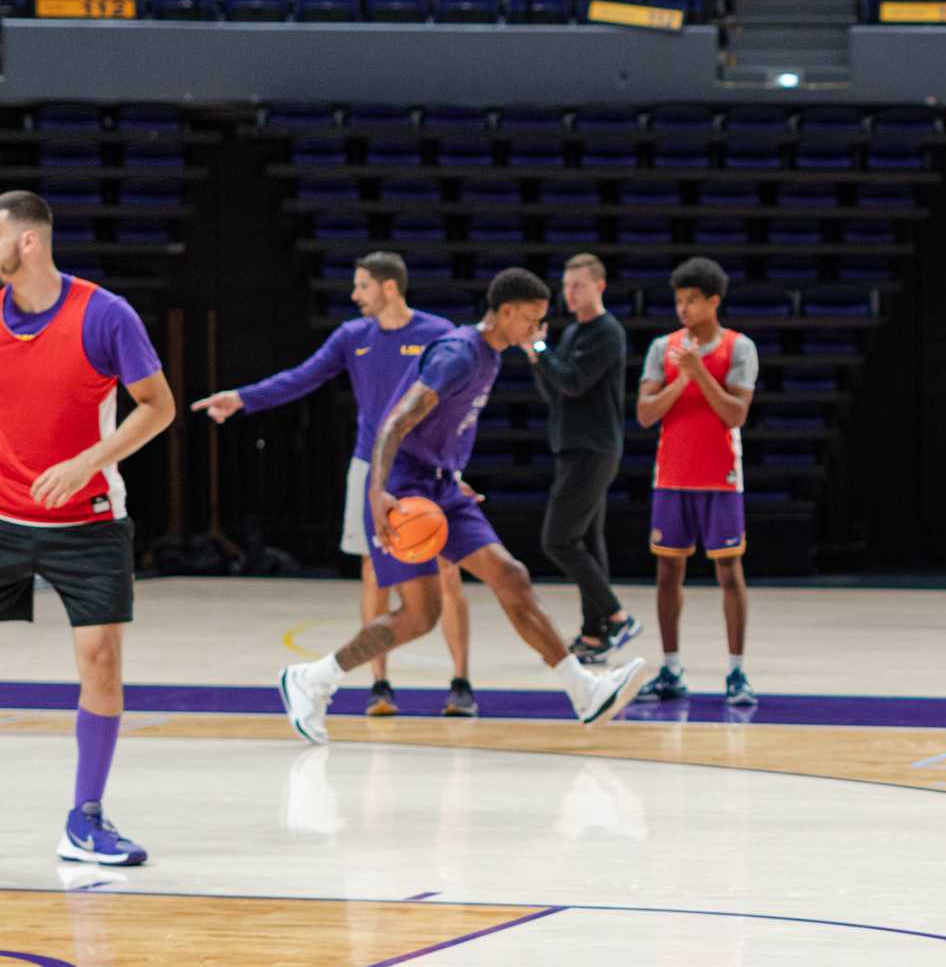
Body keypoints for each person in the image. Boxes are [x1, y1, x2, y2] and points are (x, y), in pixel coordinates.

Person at [276, 269, 646, 741]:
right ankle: (313, 679)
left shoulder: (490, 356)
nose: (535, 330)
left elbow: (450, 427)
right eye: (531, 319)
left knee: (510, 575)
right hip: (404, 486)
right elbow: (396, 421)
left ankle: (584, 691)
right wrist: (377, 493)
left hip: (443, 486)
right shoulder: (459, 353)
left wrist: (453, 473)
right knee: (419, 616)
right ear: (506, 311)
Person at [192, 252, 477, 718]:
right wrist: (243, 398)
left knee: (446, 568)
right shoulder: (353, 337)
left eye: (362, 285)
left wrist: (457, 469)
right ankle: (379, 685)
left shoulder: (437, 334)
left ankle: (461, 682)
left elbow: (462, 407)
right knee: (374, 573)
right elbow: (302, 378)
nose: (353, 295)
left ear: (389, 288)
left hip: (428, 467)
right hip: (373, 469)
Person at [0, 190, 176, 866]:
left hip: (88, 516)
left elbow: (156, 408)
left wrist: (87, 462)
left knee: (100, 660)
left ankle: (86, 819)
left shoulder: (105, 316)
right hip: (5, 512)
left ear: (29, 243)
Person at [633, 257, 758, 707]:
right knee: (667, 572)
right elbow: (646, 414)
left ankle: (737, 672)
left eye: (692, 301)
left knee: (729, 571)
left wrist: (699, 373)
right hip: (672, 476)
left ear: (713, 301)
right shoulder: (661, 348)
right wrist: (680, 379)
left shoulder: (739, 348)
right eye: (679, 301)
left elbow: (735, 414)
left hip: (721, 477)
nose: (683, 309)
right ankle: (670, 668)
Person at [526, 252, 638, 663]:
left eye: (578, 286)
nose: (569, 294)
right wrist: (537, 356)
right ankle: (595, 634)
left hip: (594, 447)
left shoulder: (607, 332)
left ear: (599, 286)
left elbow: (572, 382)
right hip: (572, 444)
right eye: (566, 286)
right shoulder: (573, 332)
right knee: (588, 539)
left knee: (558, 539)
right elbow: (555, 393)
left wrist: (539, 346)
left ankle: (616, 615)